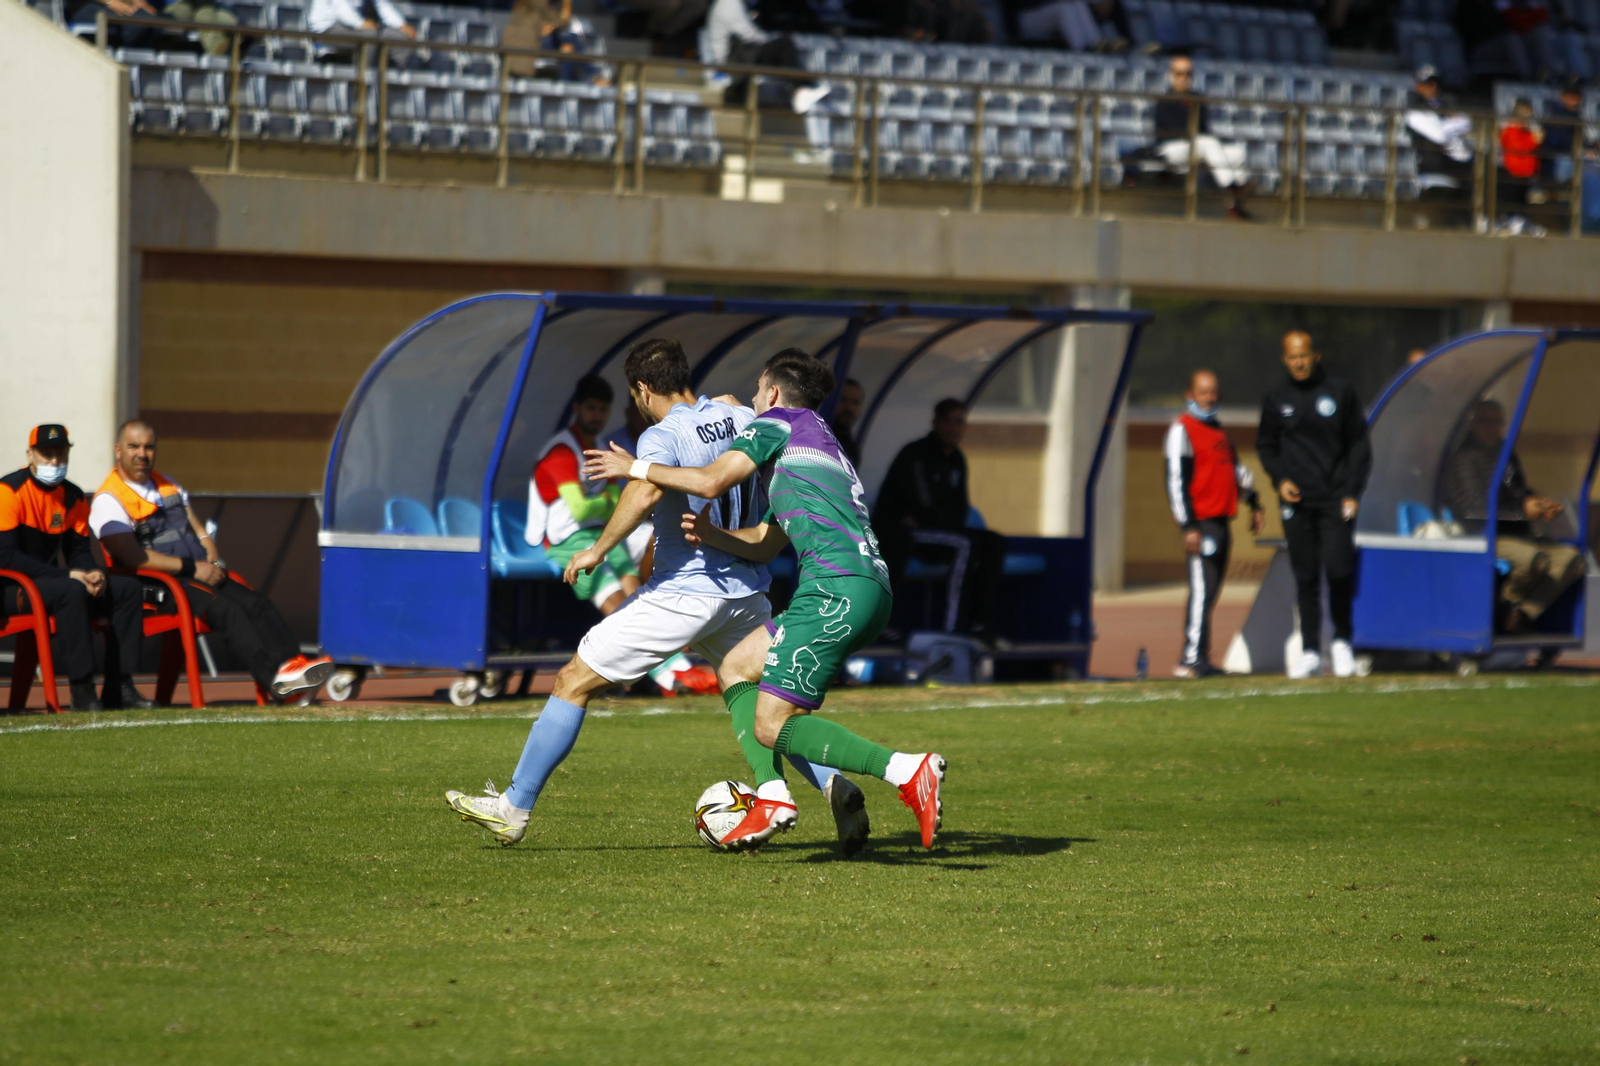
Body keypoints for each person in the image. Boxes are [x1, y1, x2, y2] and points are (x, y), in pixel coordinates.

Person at [445, 340, 872, 856]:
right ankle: (834, 788)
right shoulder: (739, 411)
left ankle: (513, 809)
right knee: (768, 705)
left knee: (572, 680)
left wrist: (597, 550)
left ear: (642, 390)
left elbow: (644, 492)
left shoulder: (661, 434)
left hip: (684, 593)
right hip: (745, 590)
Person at [586, 348, 946, 851]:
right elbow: (767, 542)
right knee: (735, 667)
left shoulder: (775, 422)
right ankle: (777, 795)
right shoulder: (816, 440)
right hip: (864, 588)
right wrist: (712, 534)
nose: (750, 400)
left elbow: (711, 479)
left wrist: (638, 467)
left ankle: (906, 769)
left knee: (771, 724)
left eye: (756, 390)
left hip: (834, 589)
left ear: (773, 393)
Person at [90, 420, 333, 702]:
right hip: (159, 584)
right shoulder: (109, 499)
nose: (142, 454)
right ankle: (276, 684)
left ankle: (293, 667)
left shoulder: (168, 485)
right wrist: (195, 569)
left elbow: (200, 532)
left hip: (198, 572)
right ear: (118, 450)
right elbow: (134, 558)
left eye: (149, 446)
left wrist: (214, 562)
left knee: (257, 603)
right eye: (134, 446)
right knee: (227, 610)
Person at [531, 375, 711, 696]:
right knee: (618, 603)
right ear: (576, 409)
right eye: (590, 408)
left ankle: (658, 667)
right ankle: (669, 674)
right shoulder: (561, 451)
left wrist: (601, 504)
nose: (596, 416)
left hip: (597, 534)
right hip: (563, 541)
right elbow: (582, 510)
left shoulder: (601, 447)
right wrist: (604, 504)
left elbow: (612, 501)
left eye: (602, 409)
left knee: (636, 596)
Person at [0, 426, 151, 712]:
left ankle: (121, 686)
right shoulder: (8, 491)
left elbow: (79, 551)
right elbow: (5, 557)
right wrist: (68, 575)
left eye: (61, 453)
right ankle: (82, 691)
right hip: (10, 587)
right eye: (47, 454)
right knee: (71, 590)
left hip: (48, 584)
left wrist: (91, 573)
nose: (55, 461)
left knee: (127, 589)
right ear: (30, 455)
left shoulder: (73, 495)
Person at [1255, 331, 1371, 680]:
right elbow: (1266, 445)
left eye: (1304, 355)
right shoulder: (1277, 398)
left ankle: (1342, 643)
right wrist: (1280, 479)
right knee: (1305, 576)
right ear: (1284, 359)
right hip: (1297, 502)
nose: (1299, 362)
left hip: (1336, 499)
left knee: (1338, 570)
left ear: (1316, 355)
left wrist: (1352, 491)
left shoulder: (1340, 393)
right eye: (1292, 357)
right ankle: (1309, 651)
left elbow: (1359, 446)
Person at [1442, 400, 1585, 632]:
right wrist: (1523, 511)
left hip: (1516, 533)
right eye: (1484, 421)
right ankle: (1504, 608)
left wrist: (1537, 502)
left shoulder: (1505, 454)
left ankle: (1522, 614)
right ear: (1473, 423)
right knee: (1533, 560)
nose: (1491, 428)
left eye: (1497, 423)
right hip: (1482, 535)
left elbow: (1517, 490)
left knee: (1572, 560)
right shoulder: (1464, 459)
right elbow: (1475, 508)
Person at [872, 398, 1006, 642]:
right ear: (935, 423)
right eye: (948, 421)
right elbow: (925, 507)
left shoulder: (957, 459)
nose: (954, 428)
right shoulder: (916, 454)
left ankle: (979, 623)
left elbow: (960, 507)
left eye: (960, 422)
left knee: (995, 542)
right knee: (966, 544)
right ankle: (952, 629)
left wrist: (943, 517)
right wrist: (940, 516)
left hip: (937, 529)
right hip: (902, 531)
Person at [1164, 370, 1262, 679]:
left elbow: (1236, 474)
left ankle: (1202, 657)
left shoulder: (1219, 435)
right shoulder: (1183, 430)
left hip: (1222, 523)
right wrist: (1188, 526)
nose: (1208, 398)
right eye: (1202, 393)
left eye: (1213, 393)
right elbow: (1175, 482)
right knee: (1201, 590)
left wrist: (1254, 502)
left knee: (1211, 592)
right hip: (1201, 525)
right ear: (1189, 395)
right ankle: (1191, 659)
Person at [1152, 55, 1252, 220]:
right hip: (1171, 149)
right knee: (1206, 143)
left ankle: (1234, 203)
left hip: (1199, 147)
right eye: (1179, 73)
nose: (1183, 78)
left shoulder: (1197, 99)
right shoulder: (1164, 100)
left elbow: (1204, 129)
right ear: (1171, 75)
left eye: (1188, 73)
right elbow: (1170, 132)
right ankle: (1230, 187)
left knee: (1237, 152)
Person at [706, 0, 829, 114]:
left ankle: (801, 89)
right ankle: (800, 90)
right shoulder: (729, 3)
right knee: (785, 44)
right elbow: (749, 34)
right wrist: (770, 40)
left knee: (782, 50)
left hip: (742, 56)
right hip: (733, 62)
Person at [1405, 66, 1475, 193]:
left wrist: (1446, 124)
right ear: (1418, 86)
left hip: (1457, 164)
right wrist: (1452, 122)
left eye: (1436, 82)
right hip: (1432, 167)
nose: (1434, 87)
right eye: (1428, 83)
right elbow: (1440, 135)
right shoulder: (1414, 110)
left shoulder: (1445, 103)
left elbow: (1467, 121)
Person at [307, 0, 417, 60]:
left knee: (401, 38)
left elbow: (383, 5)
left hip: (355, 27)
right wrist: (361, 24)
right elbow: (342, 9)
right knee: (369, 36)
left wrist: (401, 25)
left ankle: (393, 85)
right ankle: (362, 83)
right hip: (327, 29)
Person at [828, 377, 865, 466]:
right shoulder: (815, 438)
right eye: (843, 400)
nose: (849, 408)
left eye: (855, 403)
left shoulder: (851, 448)